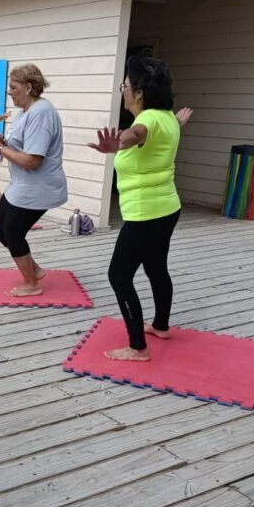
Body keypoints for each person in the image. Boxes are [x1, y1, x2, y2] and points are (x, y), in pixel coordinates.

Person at [87, 54, 193, 361]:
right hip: (167, 208)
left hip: (145, 214)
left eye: (126, 84)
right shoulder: (167, 117)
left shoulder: (146, 120)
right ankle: (160, 326)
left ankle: (137, 347)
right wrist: (176, 121)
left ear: (139, 92)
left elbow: (136, 135)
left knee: (119, 276)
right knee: (156, 267)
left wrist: (117, 143)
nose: (123, 89)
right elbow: (158, 131)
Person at [0, 63, 68, 296]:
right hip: (21, 184)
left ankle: (31, 284)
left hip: (38, 186)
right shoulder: (23, 113)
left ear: (29, 87)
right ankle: (35, 269)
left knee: (12, 232)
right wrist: (0, 140)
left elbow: (32, 160)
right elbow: (19, 148)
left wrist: (0, 148)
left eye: (13, 87)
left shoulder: (42, 113)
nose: (9, 92)